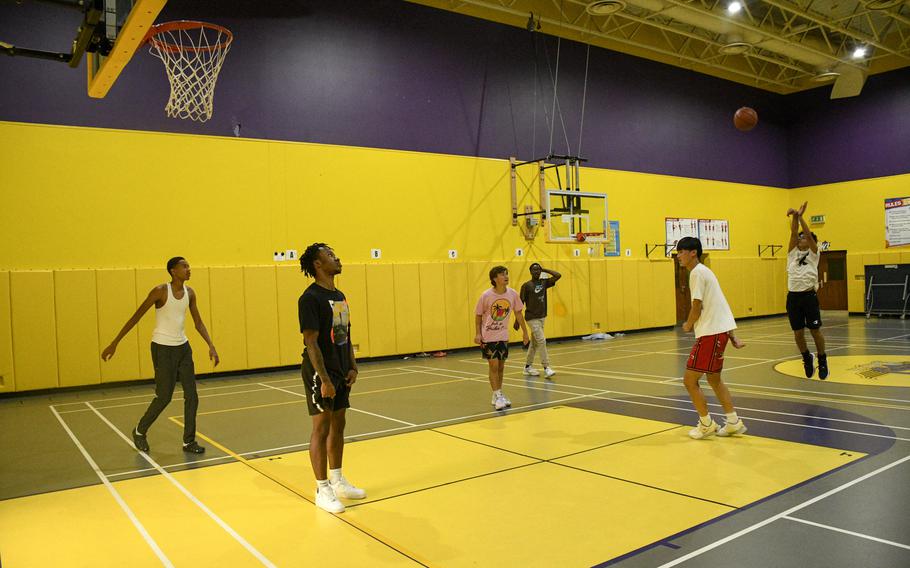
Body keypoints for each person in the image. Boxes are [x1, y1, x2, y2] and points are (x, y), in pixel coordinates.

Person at [101, 257, 219, 454]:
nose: (189, 269)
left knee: (192, 396)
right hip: (162, 348)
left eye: (189, 266)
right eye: (184, 266)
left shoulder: (190, 293)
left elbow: (198, 322)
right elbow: (136, 316)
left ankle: (188, 441)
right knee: (164, 397)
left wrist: (211, 345)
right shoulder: (160, 291)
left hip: (183, 348)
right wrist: (115, 343)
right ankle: (140, 430)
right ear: (173, 271)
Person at [298, 243, 365, 514]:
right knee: (321, 427)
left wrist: (352, 366)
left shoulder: (339, 295)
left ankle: (337, 480)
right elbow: (311, 343)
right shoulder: (310, 298)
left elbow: (344, 334)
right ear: (317, 264)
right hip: (319, 370)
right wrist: (324, 379)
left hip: (340, 369)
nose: (336, 258)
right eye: (329, 255)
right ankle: (322, 489)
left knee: (339, 424)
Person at [676, 237, 747, 439]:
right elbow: (721, 304)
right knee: (714, 379)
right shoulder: (705, 272)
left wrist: (688, 324)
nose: (678, 255)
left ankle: (706, 424)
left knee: (689, 381)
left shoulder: (697, 273)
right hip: (718, 332)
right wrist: (731, 334)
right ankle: (733, 422)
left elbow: (696, 305)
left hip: (711, 334)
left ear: (693, 253)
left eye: (682, 251)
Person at [475, 266, 530, 410]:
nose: (506, 276)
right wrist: (478, 334)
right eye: (502, 274)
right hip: (488, 336)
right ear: (494, 278)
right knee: (493, 365)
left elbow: (518, 314)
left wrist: (525, 332)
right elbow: (478, 315)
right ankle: (498, 395)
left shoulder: (512, 294)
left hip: (503, 336)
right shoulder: (486, 295)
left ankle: (497, 393)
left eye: (507, 274)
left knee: (500, 366)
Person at [786, 201, 828, 379]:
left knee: (814, 330)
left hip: (809, 296)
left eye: (804, 238)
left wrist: (802, 217)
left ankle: (822, 358)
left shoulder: (813, 253)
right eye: (800, 238)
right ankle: (806, 357)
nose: (801, 239)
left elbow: (809, 237)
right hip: (793, 297)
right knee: (798, 333)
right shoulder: (792, 253)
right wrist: (795, 216)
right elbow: (793, 232)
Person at [517, 263, 561, 379]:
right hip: (531, 318)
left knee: (534, 344)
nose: (536, 272)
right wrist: (517, 320)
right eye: (534, 270)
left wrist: (544, 269)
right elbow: (520, 303)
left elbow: (558, 275)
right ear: (530, 272)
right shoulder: (526, 286)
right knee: (542, 340)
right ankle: (546, 367)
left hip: (542, 317)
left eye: (538, 270)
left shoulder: (544, 282)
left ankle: (527, 367)